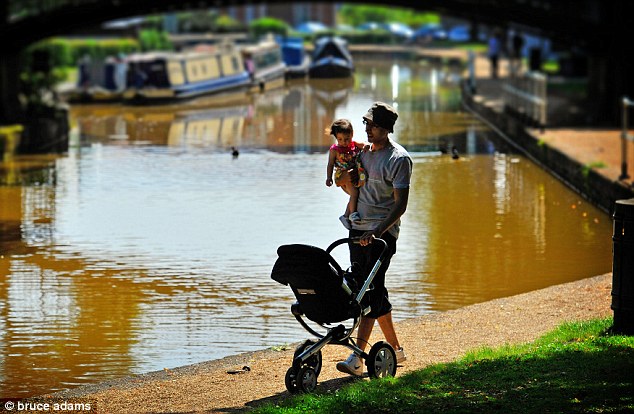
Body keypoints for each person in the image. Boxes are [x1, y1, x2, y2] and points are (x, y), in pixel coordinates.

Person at [336, 102, 413, 376]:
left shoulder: (399, 160)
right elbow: (354, 190)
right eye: (366, 124)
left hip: (381, 235)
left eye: (373, 125)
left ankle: (357, 359)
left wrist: (378, 232)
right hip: (357, 231)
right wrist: (343, 180)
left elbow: (399, 206)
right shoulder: (363, 155)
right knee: (367, 288)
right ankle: (396, 350)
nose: (367, 129)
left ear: (386, 128)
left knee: (368, 292)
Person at [325, 119, 367, 229]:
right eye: (340, 139)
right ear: (336, 138)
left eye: (347, 139)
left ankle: (345, 215)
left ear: (352, 134)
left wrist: (366, 147)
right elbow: (330, 164)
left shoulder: (354, 144)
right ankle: (353, 214)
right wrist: (329, 178)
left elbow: (364, 145)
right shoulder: (335, 150)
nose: (344, 142)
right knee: (354, 192)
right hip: (342, 174)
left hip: (353, 173)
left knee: (357, 193)